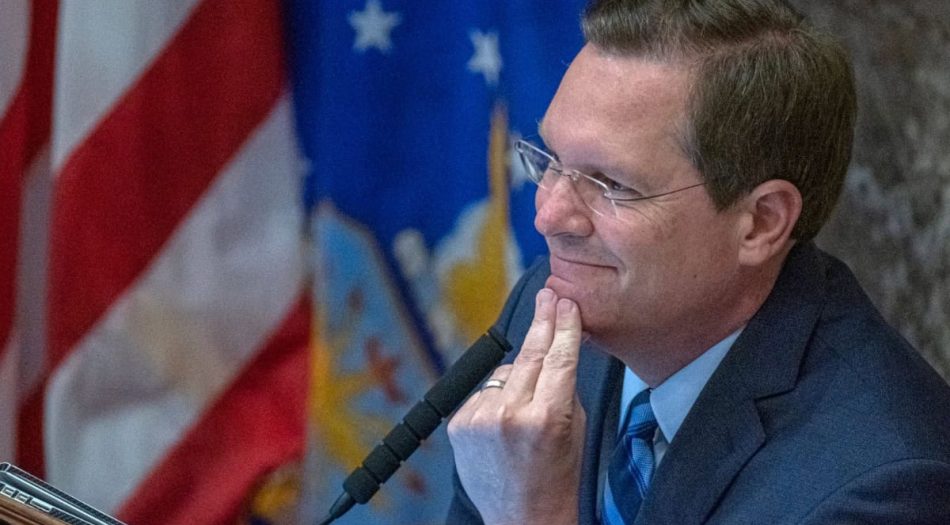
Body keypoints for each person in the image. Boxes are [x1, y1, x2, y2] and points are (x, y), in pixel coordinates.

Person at [445, 0, 950, 524]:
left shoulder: (886, 487)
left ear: (761, 223)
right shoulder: (551, 308)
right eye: (551, 161)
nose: (548, 216)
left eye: (610, 184)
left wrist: (531, 515)